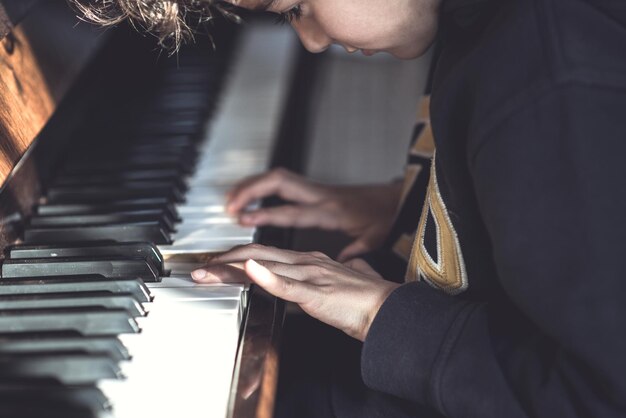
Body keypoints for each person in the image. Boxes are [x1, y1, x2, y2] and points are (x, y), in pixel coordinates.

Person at [72, 0, 626, 417]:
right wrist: (420, 206)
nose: (311, 41)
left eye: (296, 8)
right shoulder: (494, 33)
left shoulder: (549, 77)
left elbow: (602, 392)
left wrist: (378, 314)